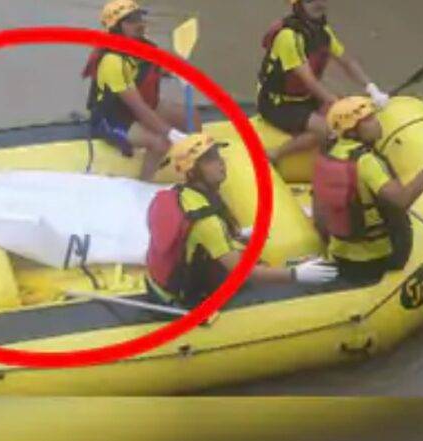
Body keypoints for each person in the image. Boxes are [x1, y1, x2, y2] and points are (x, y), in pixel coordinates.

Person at [145, 133, 338, 307]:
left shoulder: (182, 194)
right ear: (192, 172)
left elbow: (194, 239)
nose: (221, 163)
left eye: (218, 156)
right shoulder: (206, 222)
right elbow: (242, 272)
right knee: (271, 286)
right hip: (184, 296)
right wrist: (295, 275)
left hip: (166, 282)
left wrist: (237, 235)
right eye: (210, 160)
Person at [313, 96, 423, 283]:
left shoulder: (327, 156)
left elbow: (319, 216)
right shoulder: (366, 162)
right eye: (368, 120)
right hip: (376, 259)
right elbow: (402, 200)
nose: (377, 123)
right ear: (352, 131)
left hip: (339, 254)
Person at [256, 0, 390, 165]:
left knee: (349, 108)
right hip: (277, 103)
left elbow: (347, 61)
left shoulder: (323, 31)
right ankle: (275, 154)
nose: (318, 3)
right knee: (325, 131)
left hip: (305, 97)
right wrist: (335, 103)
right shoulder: (289, 36)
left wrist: (372, 88)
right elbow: (308, 79)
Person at [83, 0, 200, 180]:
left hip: (142, 106)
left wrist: (180, 74)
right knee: (160, 143)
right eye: (131, 21)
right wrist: (171, 133)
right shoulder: (112, 62)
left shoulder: (144, 47)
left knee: (192, 116)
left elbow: (157, 68)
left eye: (139, 18)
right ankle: (145, 184)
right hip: (114, 118)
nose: (139, 24)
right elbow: (139, 109)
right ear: (116, 27)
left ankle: (196, 169)